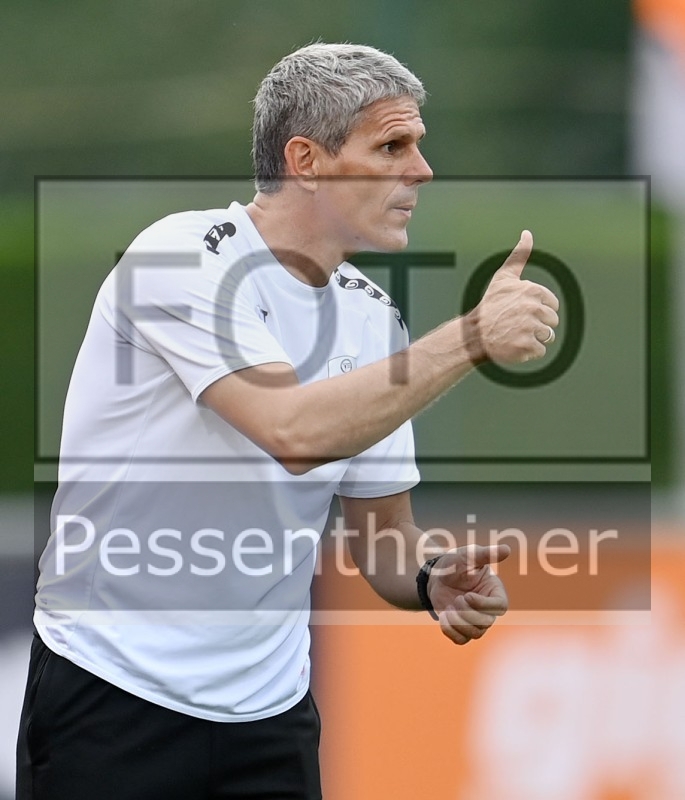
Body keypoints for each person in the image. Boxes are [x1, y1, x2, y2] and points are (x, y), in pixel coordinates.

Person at [17, 43, 559, 800]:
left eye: (418, 146)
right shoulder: (178, 256)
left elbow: (383, 539)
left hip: (272, 718)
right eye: (392, 146)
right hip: (112, 695)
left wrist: (432, 578)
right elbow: (292, 432)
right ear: (306, 160)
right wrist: (470, 337)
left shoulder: (373, 317)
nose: (421, 170)